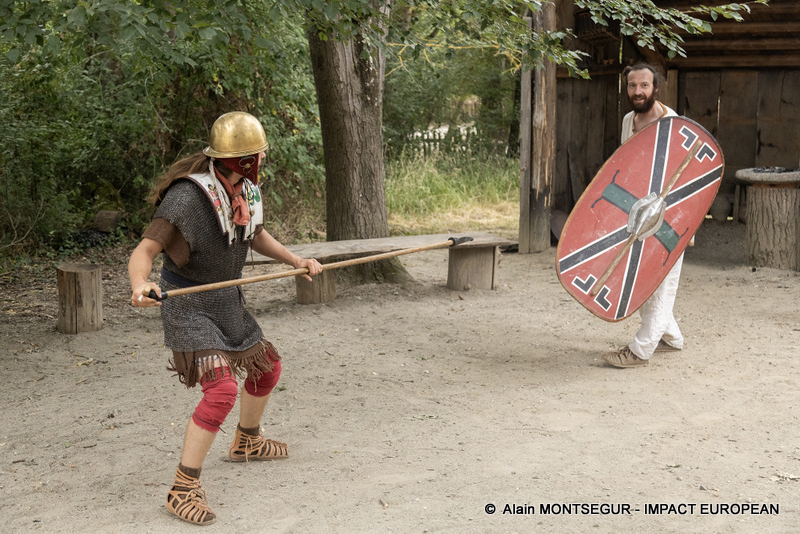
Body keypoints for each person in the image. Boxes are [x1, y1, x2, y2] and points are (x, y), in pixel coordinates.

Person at [128, 111, 323, 525]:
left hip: (226, 300)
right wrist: (140, 284)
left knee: (267, 367)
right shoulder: (187, 197)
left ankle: (247, 441)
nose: (263, 158)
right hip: (189, 305)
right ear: (243, 160)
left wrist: (295, 260)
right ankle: (182, 489)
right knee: (220, 391)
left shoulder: (246, 190)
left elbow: (256, 234)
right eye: (258, 154)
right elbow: (145, 250)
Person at [602, 63, 684, 368]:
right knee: (642, 276)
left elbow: (684, 178)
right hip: (638, 213)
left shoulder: (673, 123)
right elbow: (628, 167)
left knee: (662, 283)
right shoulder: (629, 120)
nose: (638, 91)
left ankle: (639, 351)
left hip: (669, 216)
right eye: (632, 85)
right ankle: (670, 337)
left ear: (655, 88)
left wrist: (687, 224)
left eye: (644, 86)